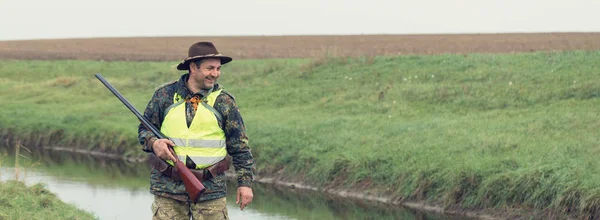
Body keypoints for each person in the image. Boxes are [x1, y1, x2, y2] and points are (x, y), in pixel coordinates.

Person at [138, 41, 254, 219]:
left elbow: (240, 147)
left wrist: (245, 184)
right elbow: (144, 130)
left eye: (218, 69)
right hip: (168, 189)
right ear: (193, 67)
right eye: (210, 68)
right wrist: (154, 144)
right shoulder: (164, 95)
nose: (215, 74)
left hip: (211, 190)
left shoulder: (225, 102)